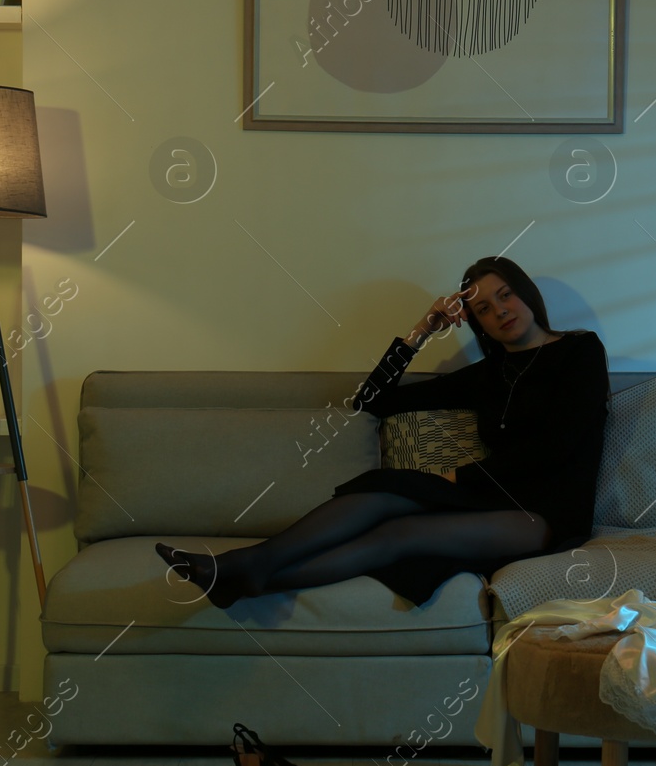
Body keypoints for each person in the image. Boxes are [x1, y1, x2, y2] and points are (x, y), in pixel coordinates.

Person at [156, 256, 610, 608]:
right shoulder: (489, 374)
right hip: (492, 495)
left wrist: (462, 477)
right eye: (485, 309)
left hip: (546, 512)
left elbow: (558, 445)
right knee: (382, 493)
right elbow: (372, 401)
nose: (501, 312)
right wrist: (420, 333)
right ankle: (247, 571)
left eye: (506, 295)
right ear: (478, 323)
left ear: (526, 293)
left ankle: (247, 572)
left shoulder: (580, 351)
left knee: (402, 534)